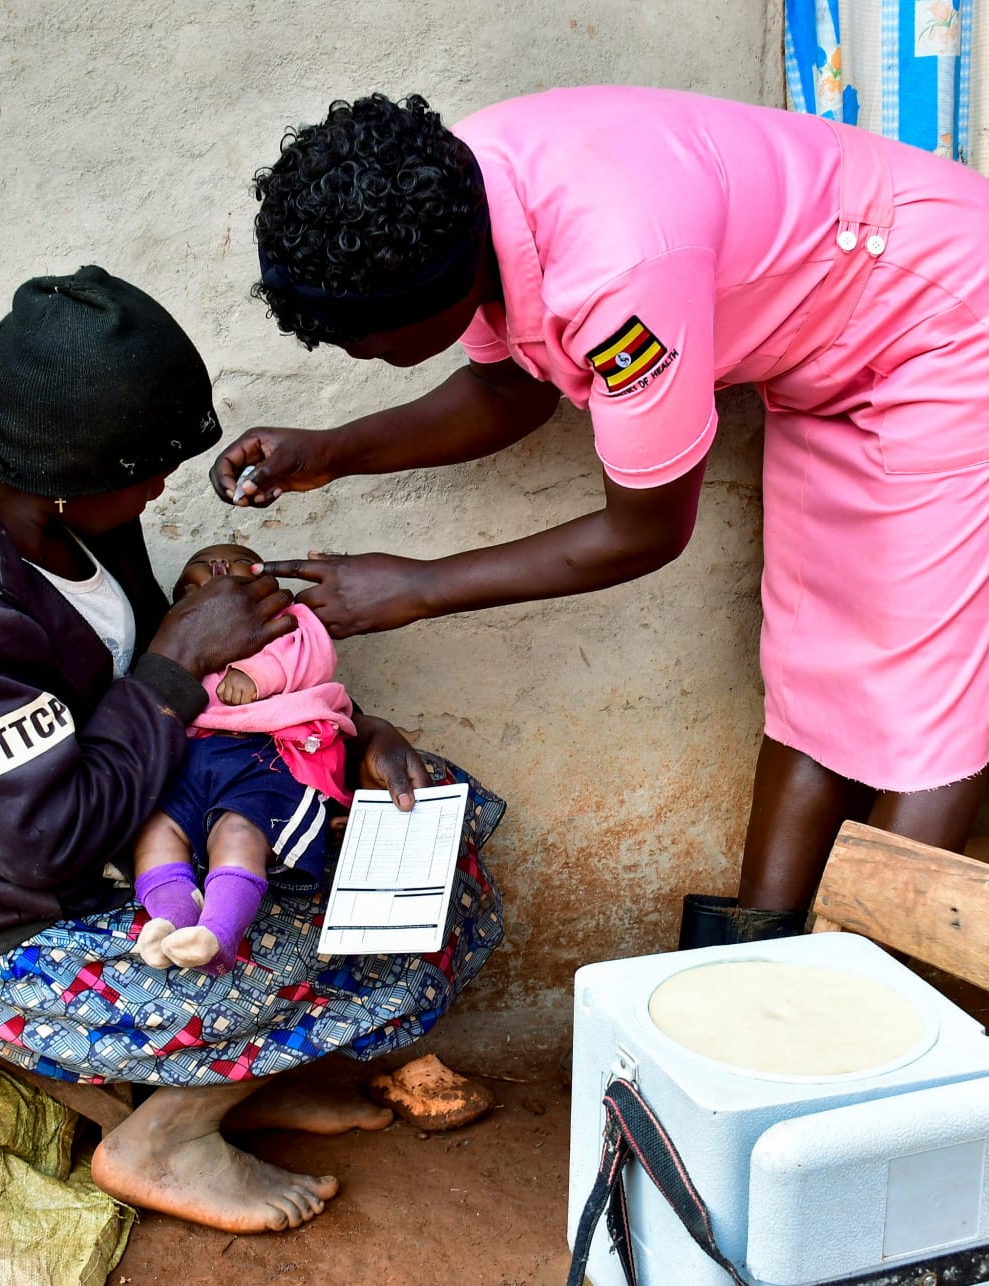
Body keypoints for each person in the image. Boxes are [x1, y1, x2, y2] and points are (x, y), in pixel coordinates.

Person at [212, 88, 989, 946]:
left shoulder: (619, 282)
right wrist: (334, 450)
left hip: (945, 317)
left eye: (371, 341)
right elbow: (510, 388)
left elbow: (646, 530)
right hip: (827, 353)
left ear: (441, 293)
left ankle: (871, 1007)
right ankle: (745, 964)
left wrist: (419, 586)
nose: (362, 356)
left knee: (927, 693)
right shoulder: (447, 193)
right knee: (810, 662)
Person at [0, 265, 505, 1233]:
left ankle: (248, 1079)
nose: (159, 491)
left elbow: (205, 722)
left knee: (435, 823)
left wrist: (353, 735)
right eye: (144, 472)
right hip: (22, 946)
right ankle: (164, 1138)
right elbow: (47, 841)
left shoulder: (70, 526)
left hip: (144, 846)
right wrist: (177, 658)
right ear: (67, 475)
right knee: (407, 928)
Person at [131, 541, 355, 974]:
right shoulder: (173, 636)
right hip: (189, 759)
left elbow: (310, 654)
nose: (215, 571)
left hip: (262, 758)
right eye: (195, 575)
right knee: (154, 829)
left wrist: (257, 674)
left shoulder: (289, 622)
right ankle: (169, 917)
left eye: (234, 566)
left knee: (239, 828)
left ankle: (218, 933)